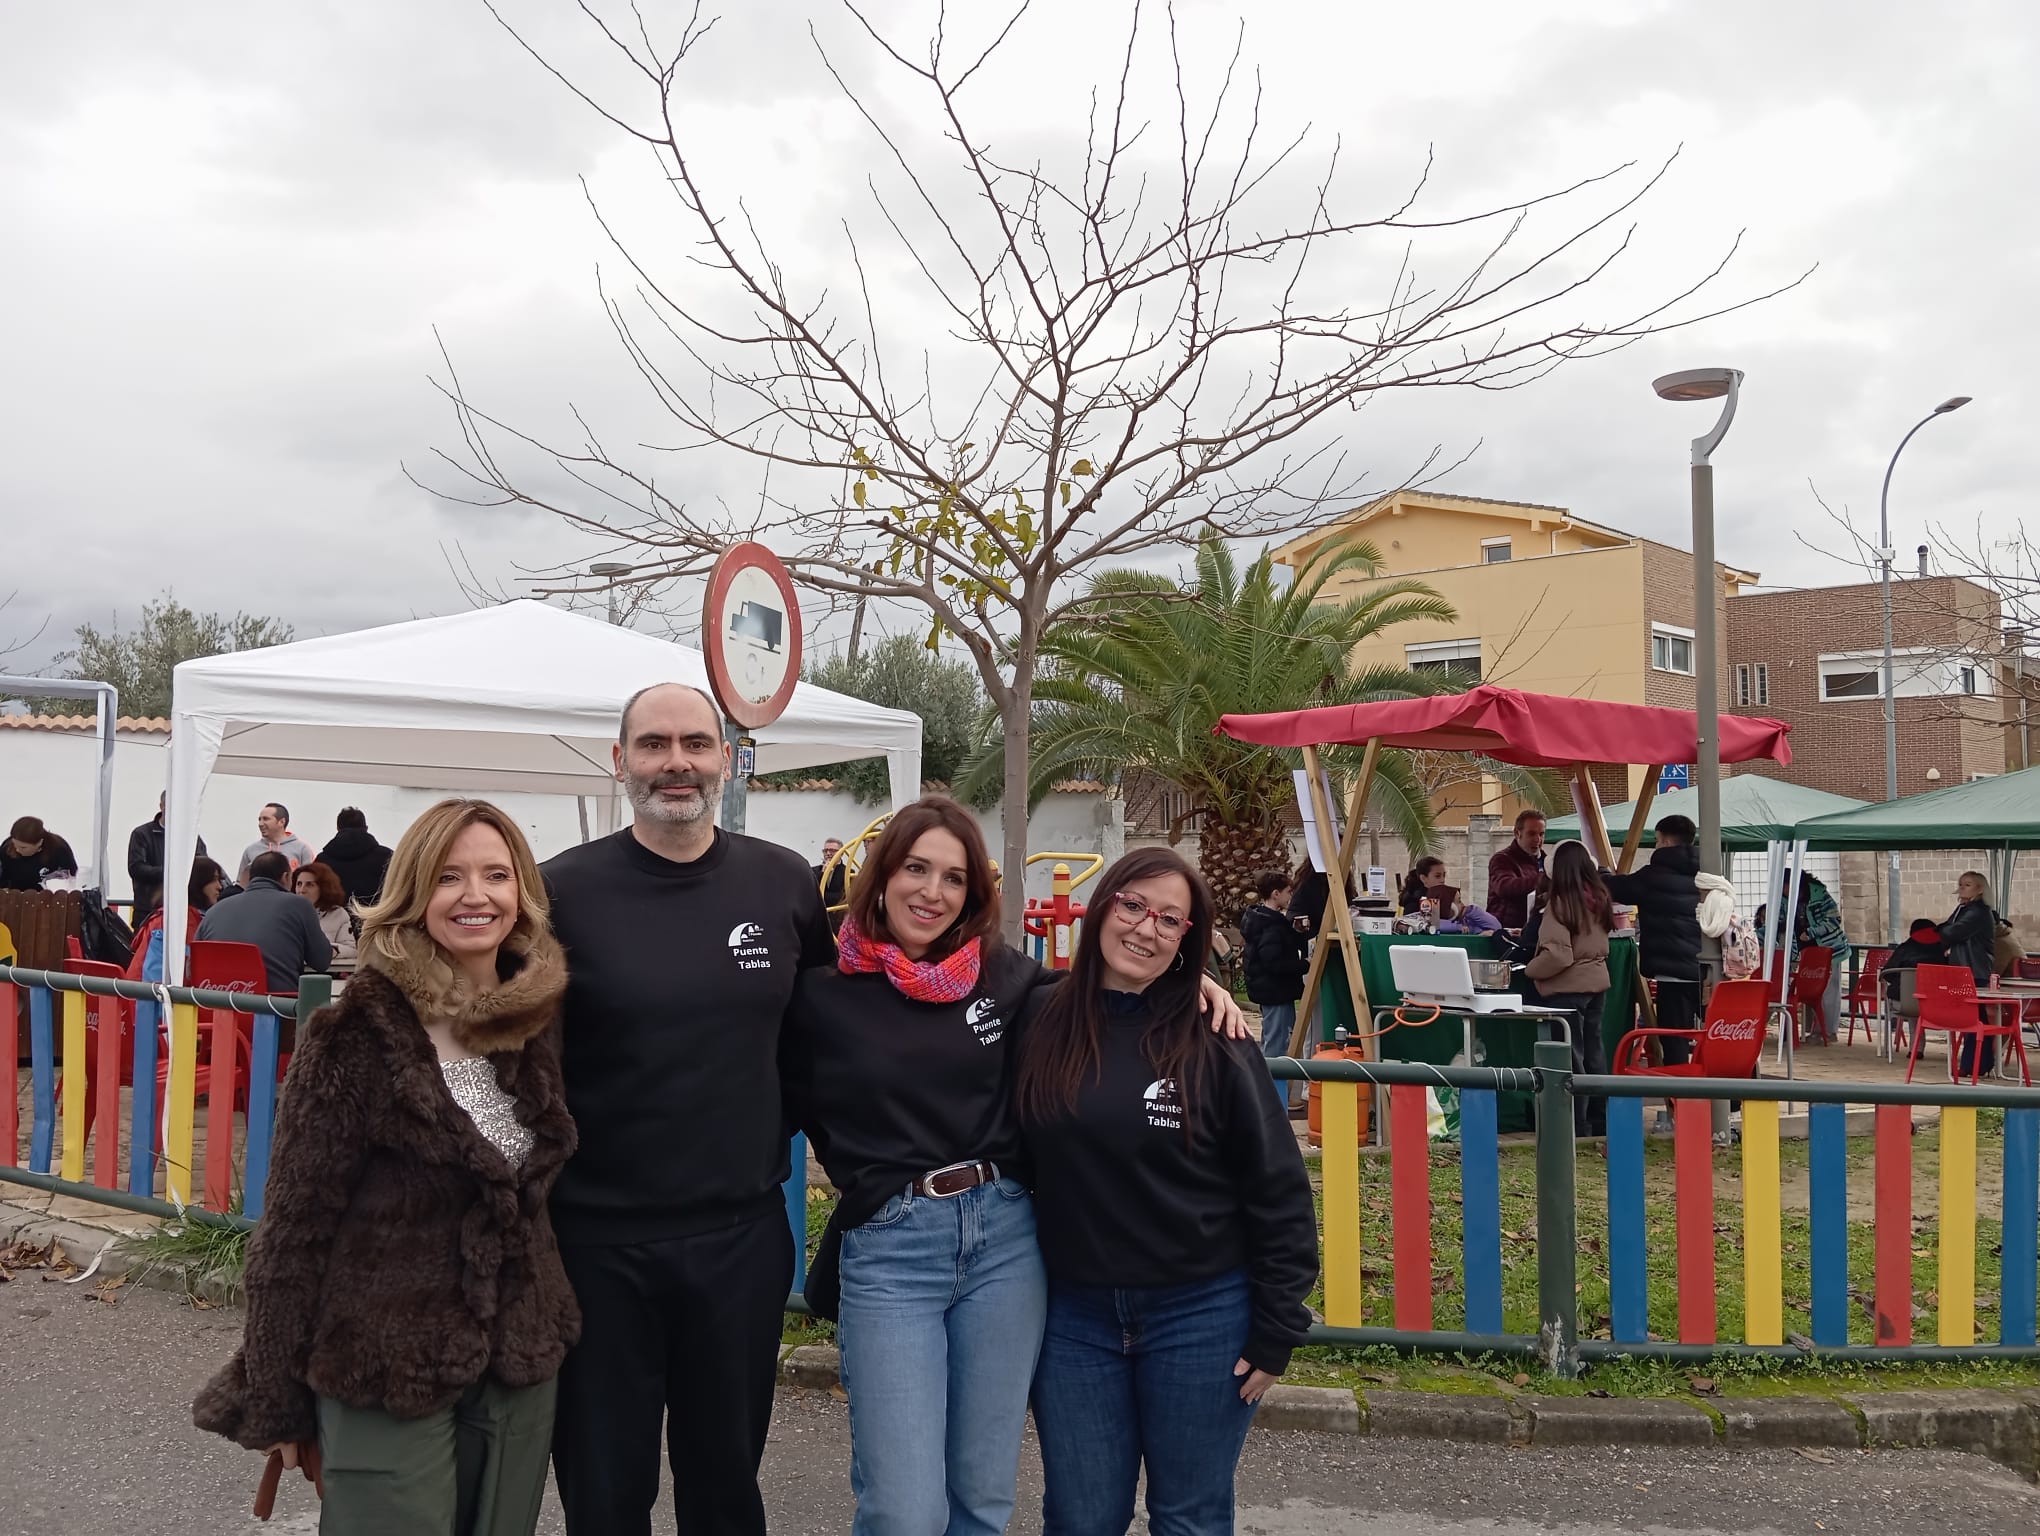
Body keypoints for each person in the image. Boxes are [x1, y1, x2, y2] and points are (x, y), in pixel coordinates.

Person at [192, 798, 578, 1535]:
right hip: (380, 1365)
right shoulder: (355, 1035)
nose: (475, 895)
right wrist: (276, 1397)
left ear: (521, 892)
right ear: (411, 894)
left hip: (518, 1359)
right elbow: (294, 1230)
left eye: (496, 875)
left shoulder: (540, 1020)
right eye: (448, 876)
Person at [541, 682, 834, 1536]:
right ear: (620, 760)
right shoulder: (561, 892)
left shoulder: (782, 884)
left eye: (697, 744)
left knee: (725, 1488)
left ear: (728, 758)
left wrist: (1169, 993)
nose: (678, 762)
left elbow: (827, 1037)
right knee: (604, 1489)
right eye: (656, 744)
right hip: (594, 1244)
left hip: (738, 1240)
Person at [1017, 846, 1319, 1536]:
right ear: (1101, 908)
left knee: (1189, 1517)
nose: (1145, 929)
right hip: (1073, 1320)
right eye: (1132, 906)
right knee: (1080, 1516)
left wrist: (1277, 1329)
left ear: (1190, 938)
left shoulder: (1217, 1039)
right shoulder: (1036, 1014)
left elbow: (1277, 1188)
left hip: (1201, 1315)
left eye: (1170, 920)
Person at [783, 797, 1056, 1536]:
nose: (932, 892)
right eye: (916, 869)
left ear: (974, 895)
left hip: (1006, 1243)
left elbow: (1108, 1004)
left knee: (980, 1499)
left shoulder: (1006, 978)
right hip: (891, 1250)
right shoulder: (818, 997)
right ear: (882, 876)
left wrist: (1191, 981)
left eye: (954, 879)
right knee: (904, 1510)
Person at [1523, 841, 1612, 1137]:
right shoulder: (1598, 898)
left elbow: (1558, 955)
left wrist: (1530, 970)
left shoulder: (1560, 905)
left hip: (1566, 990)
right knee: (1594, 1055)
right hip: (1597, 985)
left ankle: (1575, 1125)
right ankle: (1599, 1120)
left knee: (1571, 1060)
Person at [1602, 815, 1704, 1067]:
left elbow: (1616, 887)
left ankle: (1679, 1100)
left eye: (1657, 841)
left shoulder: (1653, 876)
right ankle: (1729, 1100)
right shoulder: (1708, 871)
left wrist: (1601, 873)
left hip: (1673, 974)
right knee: (1716, 1037)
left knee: (1675, 1041)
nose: (1657, 846)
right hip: (1708, 972)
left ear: (1667, 841)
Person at [195, 850, 332, 991]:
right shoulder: (299, 905)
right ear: (286, 877)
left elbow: (193, 964)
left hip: (220, 1005)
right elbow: (321, 961)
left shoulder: (214, 911)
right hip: (277, 1005)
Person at [1240, 870, 1309, 1108]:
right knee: (1277, 1043)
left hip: (1270, 989)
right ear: (1276, 894)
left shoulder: (1263, 920)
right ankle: (1273, 1096)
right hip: (1275, 990)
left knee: (1274, 1038)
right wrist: (1303, 965)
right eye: (1288, 891)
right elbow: (1273, 961)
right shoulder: (1270, 925)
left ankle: (1274, 1093)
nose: (1291, 896)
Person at [1941, 872, 2000, 1078]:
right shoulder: (1962, 909)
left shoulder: (1979, 912)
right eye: (1961, 884)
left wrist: (1944, 933)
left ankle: (1973, 1064)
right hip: (1964, 968)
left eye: (1968, 884)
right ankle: (1980, 1062)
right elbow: (1947, 929)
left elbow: (1951, 932)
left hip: (1974, 968)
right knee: (1973, 1018)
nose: (1962, 888)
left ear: (1980, 889)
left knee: (1973, 1019)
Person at [128, 856, 227, 979]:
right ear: (197, 882)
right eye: (214, 880)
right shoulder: (176, 921)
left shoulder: (181, 917)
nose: (219, 886)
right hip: (147, 995)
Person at [128, 792, 207, 919]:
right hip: (148, 910)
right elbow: (136, 868)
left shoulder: (192, 837)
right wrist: (171, 872)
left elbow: (202, 865)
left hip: (183, 910)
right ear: (161, 806)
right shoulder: (141, 834)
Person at [318, 806, 394, 907]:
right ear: (366, 828)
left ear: (338, 828)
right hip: (375, 919)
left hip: (333, 921)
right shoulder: (387, 856)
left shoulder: (321, 861)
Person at [1485, 809, 1547, 930]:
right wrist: (1545, 879)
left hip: (1536, 932)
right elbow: (1504, 887)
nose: (1537, 839)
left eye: (1541, 834)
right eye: (1532, 834)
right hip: (1506, 932)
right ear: (1517, 833)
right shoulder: (1501, 859)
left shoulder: (1547, 861)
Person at [294, 861, 358, 968]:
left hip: (324, 972)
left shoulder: (338, 914)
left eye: (309, 885)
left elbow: (351, 950)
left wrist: (328, 951)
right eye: (299, 884)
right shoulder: (287, 911)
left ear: (323, 888)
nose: (302, 890)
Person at [237, 802, 316, 885]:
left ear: (281, 822)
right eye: (259, 819)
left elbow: (310, 882)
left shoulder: (302, 849)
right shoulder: (250, 850)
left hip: (290, 897)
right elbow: (240, 883)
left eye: (266, 819)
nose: (260, 824)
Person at [1, 816, 79, 891]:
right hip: (14, 897)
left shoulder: (59, 848)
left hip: (49, 899)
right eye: (14, 844)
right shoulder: (7, 847)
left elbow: (72, 878)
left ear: (39, 843)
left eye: (23, 847)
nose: (17, 849)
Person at [1882, 918, 1948, 1002]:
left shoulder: (1904, 949)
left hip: (1903, 1002)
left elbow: (1887, 974)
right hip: (1935, 1002)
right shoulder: (1942, 951)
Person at [813, 836, 849, 933]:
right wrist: (822, 874)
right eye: (826, 851)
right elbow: (811, 893)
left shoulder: (848, 872)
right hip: (818, 919)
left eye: (832, 851)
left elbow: (842, 897)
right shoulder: (814, 871)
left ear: (841, 853)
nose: (828, 854)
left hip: (837, 921)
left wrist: (823, 897)